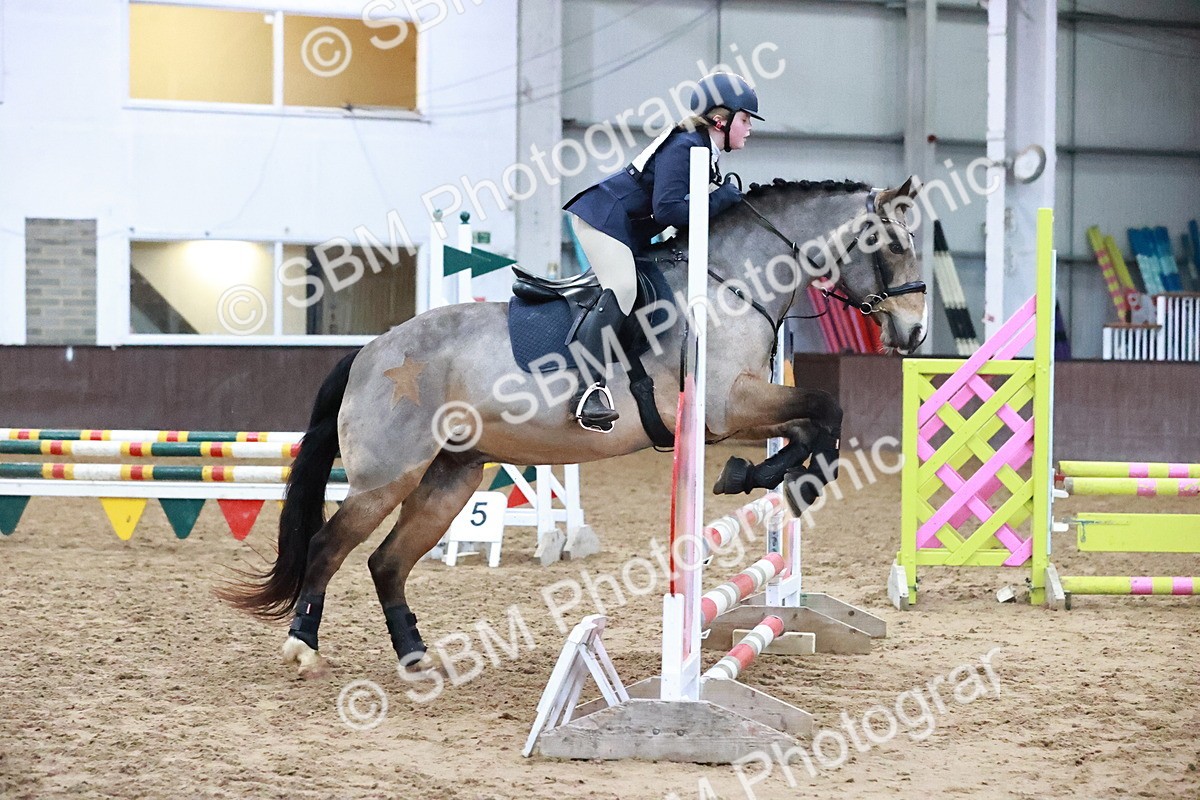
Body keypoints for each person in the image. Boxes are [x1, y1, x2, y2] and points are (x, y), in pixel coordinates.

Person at [563, 71, 762, 432]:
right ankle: (586, 390)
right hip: (604, 221)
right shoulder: (687, 146)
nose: (749, 128)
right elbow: (669, 209)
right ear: (721, 119)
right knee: (623, 288)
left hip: (628, 230)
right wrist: (720, 198)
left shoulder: (705, 150)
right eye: (745, 119)